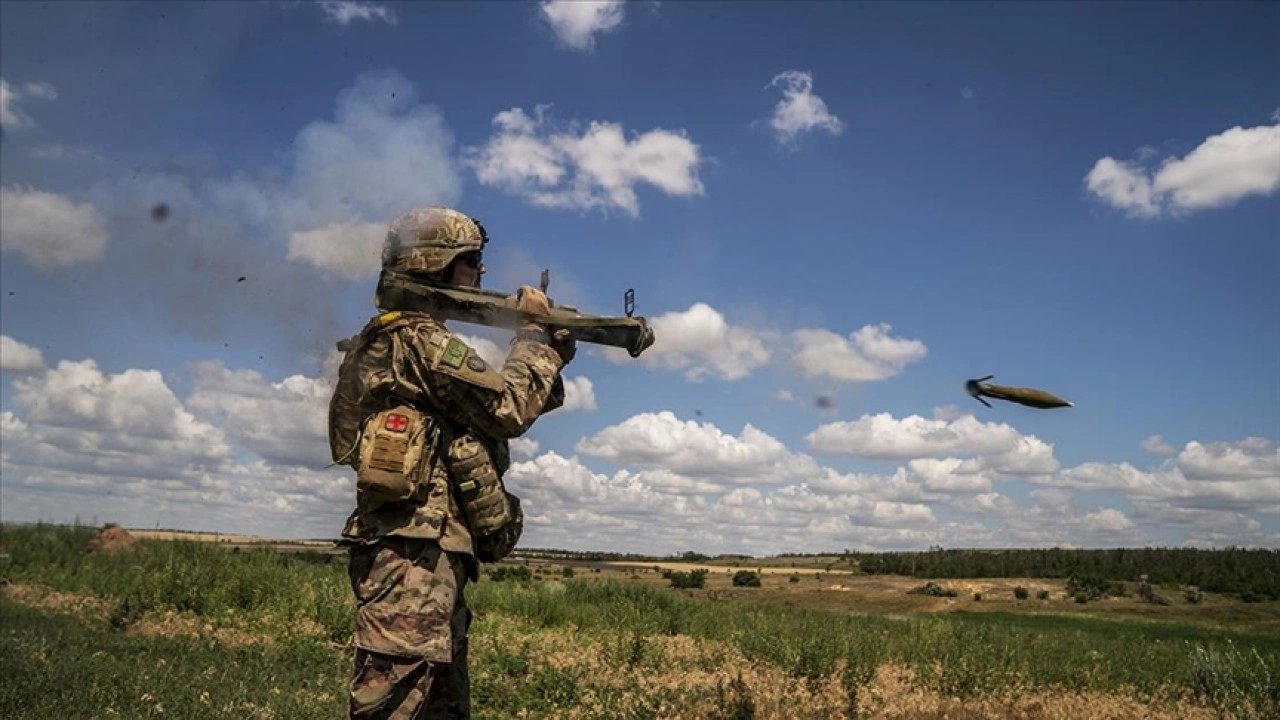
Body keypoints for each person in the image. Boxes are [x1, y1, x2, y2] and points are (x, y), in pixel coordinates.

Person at [326, 206, 575, 719]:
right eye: (471, 261)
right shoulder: (418, 339)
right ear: (435, 265)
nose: (481, 273)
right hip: (411, 558)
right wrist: (531, 336)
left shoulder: (393, 339)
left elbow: (486, 411)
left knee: (439, 704)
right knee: (394, 705)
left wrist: (549, 355)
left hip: (426, 551)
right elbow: (507, 408)